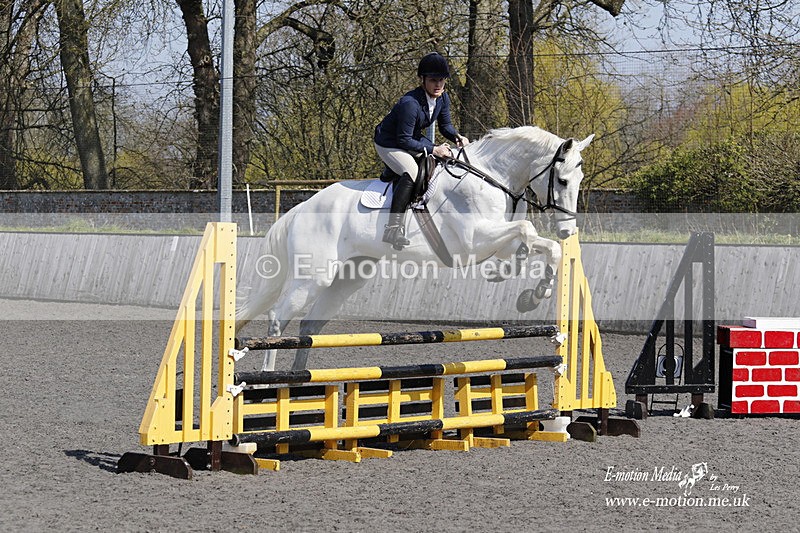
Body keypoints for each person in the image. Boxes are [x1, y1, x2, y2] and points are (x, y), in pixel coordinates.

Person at [373, 52, 470, 250]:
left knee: (440, 161)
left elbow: (445, 126)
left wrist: (457, 137)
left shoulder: (443, 98)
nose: (438, 85)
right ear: (423, 80)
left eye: (442, 80)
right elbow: (404, 140)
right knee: (412, 172)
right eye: (433, 80)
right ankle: (392, 228)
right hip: (389, 142)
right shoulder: (410, 104)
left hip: (410, 137)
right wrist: (434, 148)